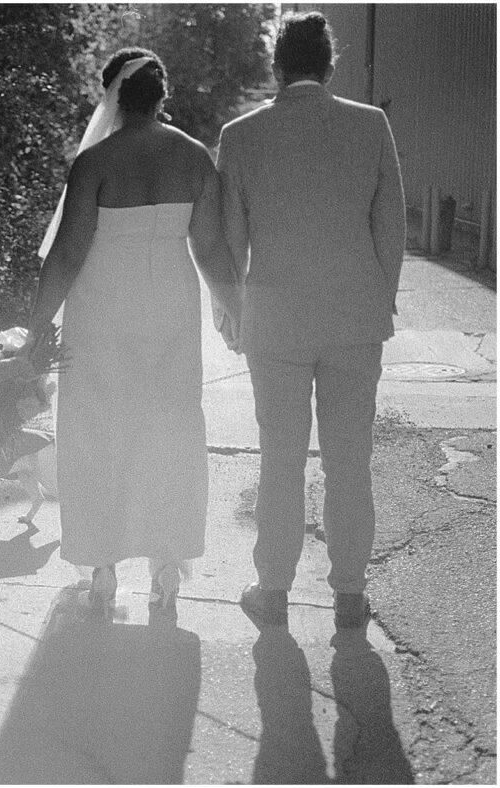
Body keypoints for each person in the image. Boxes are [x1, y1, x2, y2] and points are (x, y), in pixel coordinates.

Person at [27, 48, 241, 617]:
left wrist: (35, 329)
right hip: (169, 309)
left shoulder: (94, 163)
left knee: (98, 431)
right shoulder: (195, 158)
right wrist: (235, 308)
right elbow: (213, 248)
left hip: (101, 314)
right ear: (162, 95)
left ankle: (101, 568)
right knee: (170, 427)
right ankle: (166, 566)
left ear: (112, 95)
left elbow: (68, 253)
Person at [216, 12, 405, 630]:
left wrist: (229, 313)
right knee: (350, 461)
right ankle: (349, 593)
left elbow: (231, 239)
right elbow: (391, 228)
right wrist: (381, 300)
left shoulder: (240, 136)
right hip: (355, 318)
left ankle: (273, 592)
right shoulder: (370, 125)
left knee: (281, 459)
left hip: (273, 323)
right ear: (331, 65)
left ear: (277, 66)